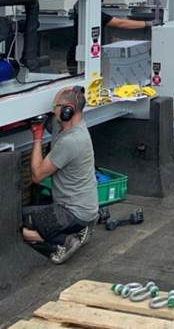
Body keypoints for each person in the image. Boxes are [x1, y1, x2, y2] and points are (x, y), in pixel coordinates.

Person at [22, 85, 98, 264]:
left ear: (67, 111)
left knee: (16, 224)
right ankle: (80, 229)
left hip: (72, 212)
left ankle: (65, 241)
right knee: (34, 214)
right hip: (84, 208)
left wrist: (38, 137)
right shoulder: (70, 125)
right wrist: (71, 88)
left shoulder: (71, 141)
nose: (52, 110)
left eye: (55, 107)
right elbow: (62, 102)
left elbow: (37, 176)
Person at [67, 0, 156, 74]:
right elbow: (120, 23)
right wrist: (148, 23)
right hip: (78, 59)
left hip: (88, 54)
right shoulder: (89, 12)